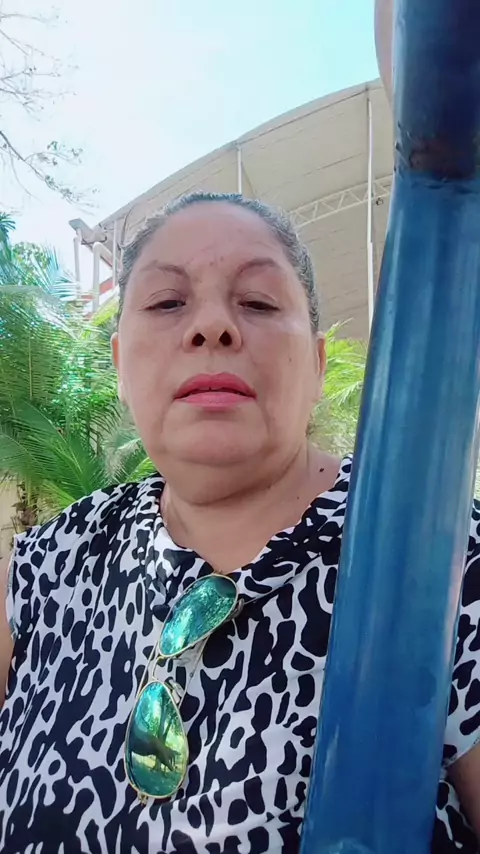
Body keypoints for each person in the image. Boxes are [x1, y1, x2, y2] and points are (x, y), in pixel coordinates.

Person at [2, 11, 480, 854]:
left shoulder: (447, 566)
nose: (212, 326)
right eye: (167, 302)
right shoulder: (45, 568)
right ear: (120, 362)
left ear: (318, 361)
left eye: (258, 302)